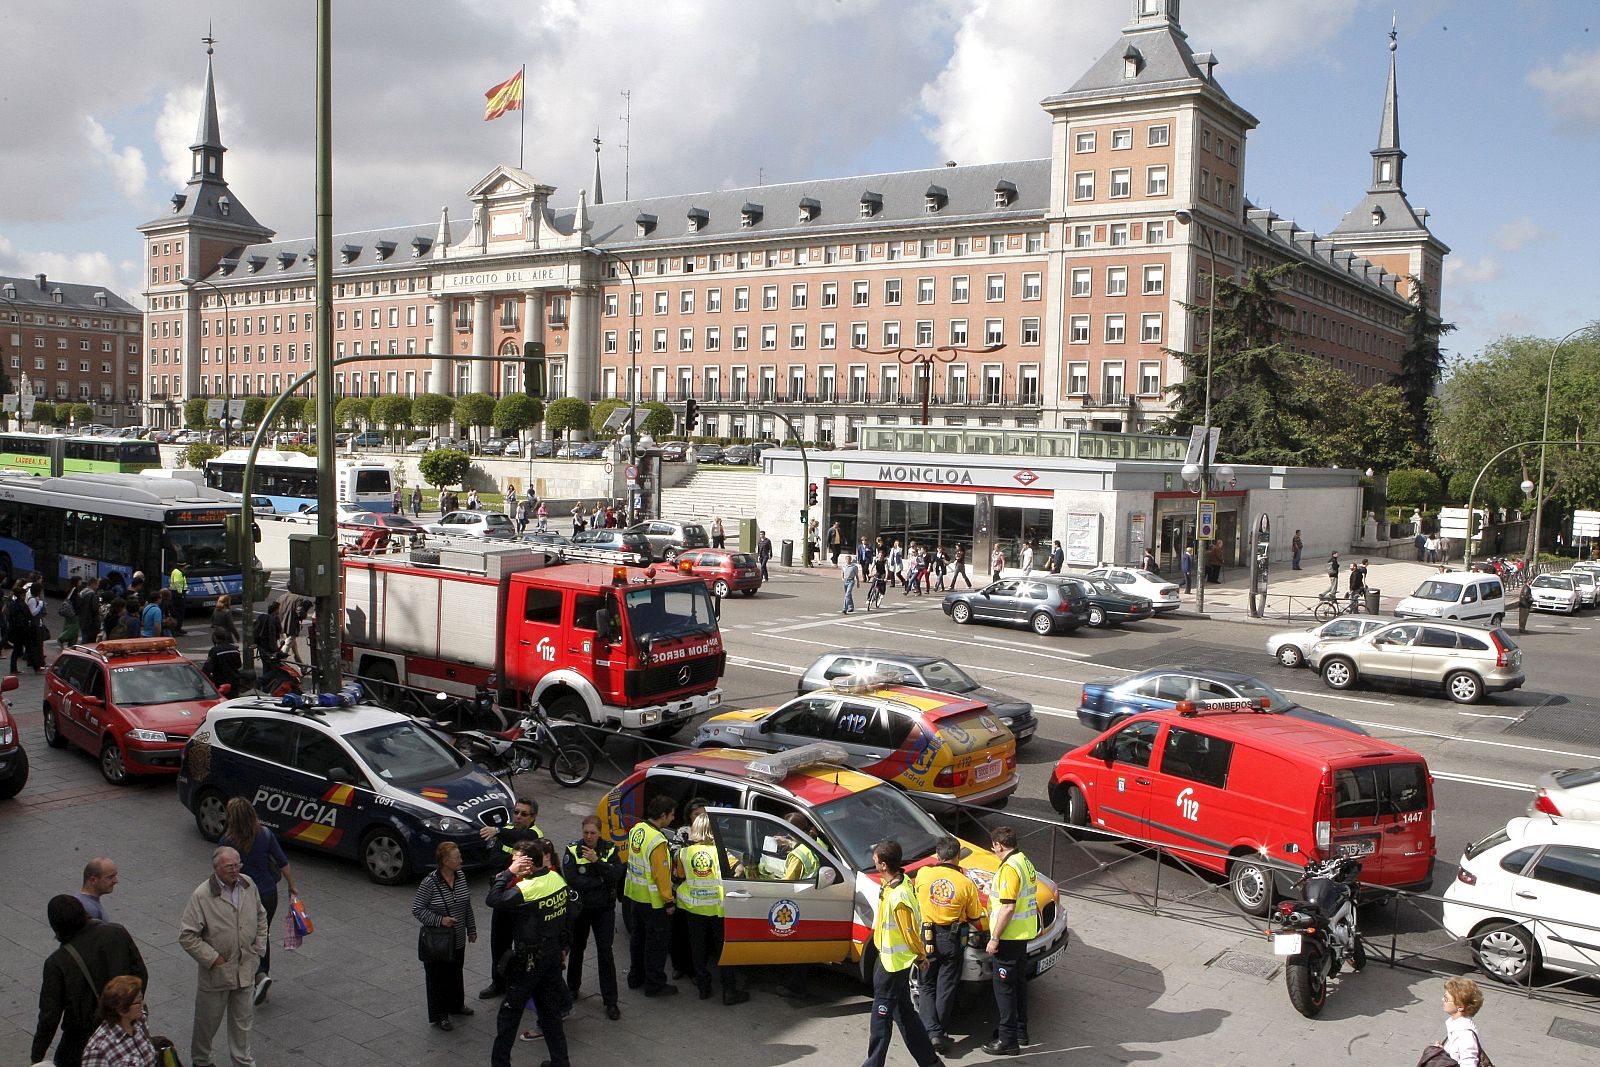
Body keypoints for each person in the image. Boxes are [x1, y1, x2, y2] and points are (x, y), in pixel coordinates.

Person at [33, 896, 148, 1067]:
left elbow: (50, 1015)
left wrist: (37, 1055)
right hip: (125, 1022)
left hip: (82, 1037)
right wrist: (128, 1005)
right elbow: (141, 974)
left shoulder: (57, 963)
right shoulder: (117, 932)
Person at [178, 846, 267, 1067]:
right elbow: (187, 936)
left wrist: (259, 948)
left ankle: (243, 1062)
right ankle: (202, 1062)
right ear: (216, 867)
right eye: (229, 867)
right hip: (217, 975)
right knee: (206, 1025)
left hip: (245, 969)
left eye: (238, 865)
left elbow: (261, 915)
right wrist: (213, 959)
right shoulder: (202, 895)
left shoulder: (248, 885)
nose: (235, 870)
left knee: (243, 1024)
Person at [487, 841, 573, 1067]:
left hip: (530, 961)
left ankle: (500, 1063)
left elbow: (493, 900)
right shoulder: (557, 879)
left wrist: (507, 874)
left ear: (528, 864)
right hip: (552, 956)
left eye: (517, 861)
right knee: (550, 1013)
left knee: (509, 1014)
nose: (514, 864)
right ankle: (560, 1062)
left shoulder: (528, 889)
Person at [862, 838, 942, 1067]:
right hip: (891, 961)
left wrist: (921, 956)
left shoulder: (898, 896)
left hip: (892, 965)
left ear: (884, 865)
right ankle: (930, 1061)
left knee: (881, 1018)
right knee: (905, 1013)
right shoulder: (899, 882)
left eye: (876, 858)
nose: (873, 859)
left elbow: (909, 932)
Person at [217, 796, 299, 1005]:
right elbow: (282, 862)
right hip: (268, 893)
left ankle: (256, 976)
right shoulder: (265, 834)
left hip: (242, 896)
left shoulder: (227, 842)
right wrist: (292, 886)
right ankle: (261, 975)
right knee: (262, 933)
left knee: (243, 936)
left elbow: (221, 872)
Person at [914, 836, 985, 1054]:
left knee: (926, 984)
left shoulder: (924, 874)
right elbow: (975, 918)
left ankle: (932, 1032)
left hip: (927, 937)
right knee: (946, 986)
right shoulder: (965, 883)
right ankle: (939, 1032)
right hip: (952, 939)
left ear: (938, 855)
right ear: (956, 857)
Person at [674, 813, 749, 1005]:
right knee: (724, 950)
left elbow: (680, 875)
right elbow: (739, 868)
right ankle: (729, 990)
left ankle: (703, 987)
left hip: (693, 908)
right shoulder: (720, 852)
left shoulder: (683, 853)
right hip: (718, 909)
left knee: (698, 949)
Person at [476, 799, 545, 998]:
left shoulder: (535, 835)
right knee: (498, 944)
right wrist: (509, 866)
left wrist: (499, 834)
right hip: (503, 899)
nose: (518, 817)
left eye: (524, 814)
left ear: (533, 817)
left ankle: (520, 986)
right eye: (516, 812)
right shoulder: (507, 830)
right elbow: (494, 859)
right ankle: (498, 983)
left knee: (523, 947)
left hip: (523, 901)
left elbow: (522, 838)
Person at [562, 815, 624, 1020]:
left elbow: (616, 875)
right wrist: (599, 880)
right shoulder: (572, 850)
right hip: (581, 910)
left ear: (600, 833)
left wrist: (597, 863)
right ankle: (572, 988)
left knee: (605, 952)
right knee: (577, 948)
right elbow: (572, 880)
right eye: (586, 833)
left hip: (604, 910)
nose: (589, 837)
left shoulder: (609, 850)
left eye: (593, 833)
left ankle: (611, 1001)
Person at [984, 825, 1039, 1055]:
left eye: (993, 847)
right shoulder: (1024, 861)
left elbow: (1008, 907)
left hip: (1008, 937)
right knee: (1018, 985)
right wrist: (992, 889)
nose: (993, 850)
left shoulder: (1009, 868)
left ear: (999, 845)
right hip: (1022, 935)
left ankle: (1007, 1041)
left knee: (1004, 990)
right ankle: (1020, 1031)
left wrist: (994, 938)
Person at [413, 841, 477, 1030]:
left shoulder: (461, 876)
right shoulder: (429, 882)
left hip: (457, 939)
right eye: (457, 858)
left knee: (456, 972)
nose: (461, 860)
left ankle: (456, 1005)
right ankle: (440, 1014)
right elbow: (417, 909)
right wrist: (440, 920)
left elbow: (466, 905)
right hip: (438, 940)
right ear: (445, 861)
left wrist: (471, 929)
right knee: (437, 977)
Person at [622, 795, 678, 998]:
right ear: (662, 815)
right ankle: (654, 984)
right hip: (654, 903)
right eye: (671, 815)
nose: (672, 819)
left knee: (637, 940)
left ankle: (635, 977)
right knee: (656, 945)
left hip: (635, 896)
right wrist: (669, 901)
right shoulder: (658, 841)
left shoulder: (638, 829)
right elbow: (661, 875)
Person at [77, 975, 155, 1067]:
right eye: (138, 1002)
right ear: (121, 1010)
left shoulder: (140, 1020)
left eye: (141, 998)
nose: (142, 1004)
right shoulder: (98, 1050)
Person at [1425, 977, 1488, 1067]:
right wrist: (1443, 1052)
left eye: (1446, 998)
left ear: (1460, 1007)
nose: (1442, 999)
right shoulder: (1457, 1025)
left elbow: (1469, 1064)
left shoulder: (1465, 1035)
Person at [8, 582, 39, 673]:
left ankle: (13, 668)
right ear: (22, 595)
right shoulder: (21, 605)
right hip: (22, 631)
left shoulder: (14, 604)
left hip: (16, 631)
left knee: (17, 650)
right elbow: (23, 619)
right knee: (30, 649)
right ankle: (36, 667)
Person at [203, 627, 243, 695]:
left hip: (221, 683)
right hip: (234, 682)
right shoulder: (234, 649)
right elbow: (239, 664)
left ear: (215, 638)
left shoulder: (214, 651)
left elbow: (207, 669)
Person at [77, 578, 104, 646]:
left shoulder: (82, 593)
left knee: (84, 639)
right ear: (93, 584)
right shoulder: (93, 595)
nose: (97, 587)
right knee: (89, 643)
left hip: (82, 620)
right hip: (91, 623)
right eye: (97, 585)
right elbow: (95, 609)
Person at [167, 563, 187, 635]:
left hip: (176, 595)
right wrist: (181, 594)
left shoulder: (175, 571)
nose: (185, 569)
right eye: (185, 567)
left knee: (178, 613)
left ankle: (178, 628)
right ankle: (177, 630)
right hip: (178, 596)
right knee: (179, 613)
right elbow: (178, 584)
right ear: (183, 567)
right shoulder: (178, 573)